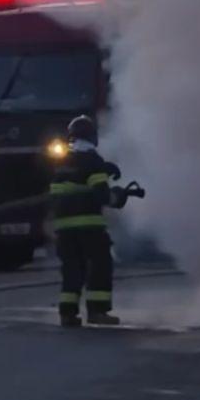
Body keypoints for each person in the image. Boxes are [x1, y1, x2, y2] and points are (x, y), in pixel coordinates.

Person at [49, 115, 126, 327]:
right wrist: (118, 197)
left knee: (72, 269)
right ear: (93, 137)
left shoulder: (60, 163)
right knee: (100, 264)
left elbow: (63, 191)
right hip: (89, 225)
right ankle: (97, 311)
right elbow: (102, 196)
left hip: (64, 228)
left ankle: (67, 314)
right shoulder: (93, 161)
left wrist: (104, 169)